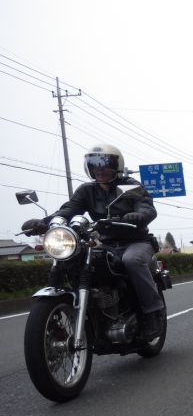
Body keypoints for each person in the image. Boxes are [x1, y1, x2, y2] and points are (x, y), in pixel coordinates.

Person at [21, 144, 164, 339]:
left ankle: (152, 313)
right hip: (106, 243)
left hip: (135, 241)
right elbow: (69, 209)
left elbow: (146, 207)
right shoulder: (87, 190)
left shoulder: (129, 186)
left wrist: (139, 215)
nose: (99, 169)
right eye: (94, 164)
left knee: (132, 261)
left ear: (116, 165)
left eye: (105, 163)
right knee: (78, 259)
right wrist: (44, 222)